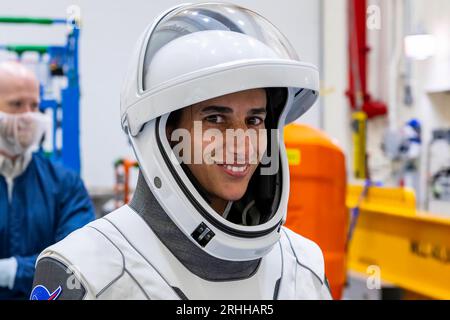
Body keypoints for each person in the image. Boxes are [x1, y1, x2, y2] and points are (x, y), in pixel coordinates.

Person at [32, 2, 332, 300]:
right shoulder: (86, 272)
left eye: (254, 120)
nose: (242, 144)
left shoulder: (303, 265)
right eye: (215, 119)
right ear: (165, 134)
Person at [0, 61, 95, 299]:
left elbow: (75, 261)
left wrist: (11, 271)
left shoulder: (65, 185)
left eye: (34, 105)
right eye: (16, 105)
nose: (29, 116)